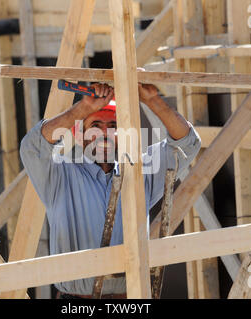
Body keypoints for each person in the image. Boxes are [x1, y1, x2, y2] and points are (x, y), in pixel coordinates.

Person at [20, 83, 201, 299]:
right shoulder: (59, 176)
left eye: (113, 126)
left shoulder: (139, 175)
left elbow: (188, 144)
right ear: (80, 134)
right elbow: (33, 147)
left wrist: (153, 100)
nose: (105, 133)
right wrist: (83, 108)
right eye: (95, 125)